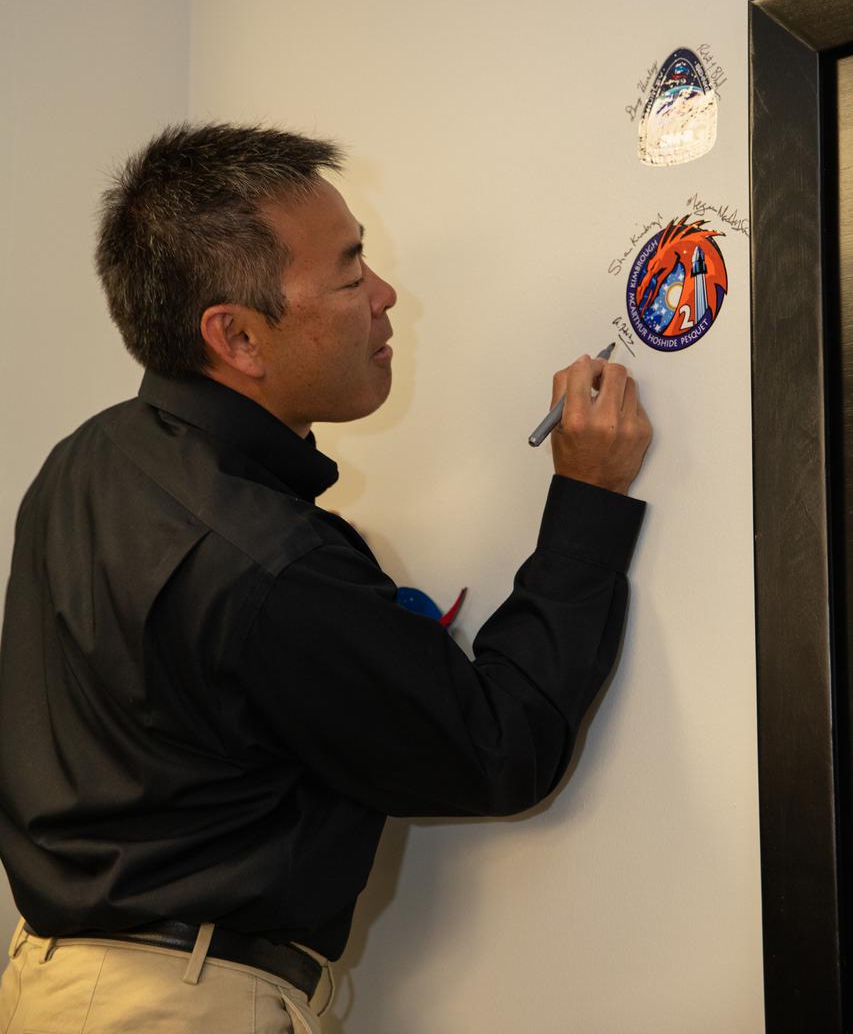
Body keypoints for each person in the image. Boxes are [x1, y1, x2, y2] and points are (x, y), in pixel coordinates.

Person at [0, 122, 652, 1033]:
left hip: (58, 988)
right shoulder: (269, 563)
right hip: (179, 1010)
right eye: (349, 274)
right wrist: (588, 501)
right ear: (236, 337)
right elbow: (500, 751)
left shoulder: (88, 459)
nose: (386, 296)